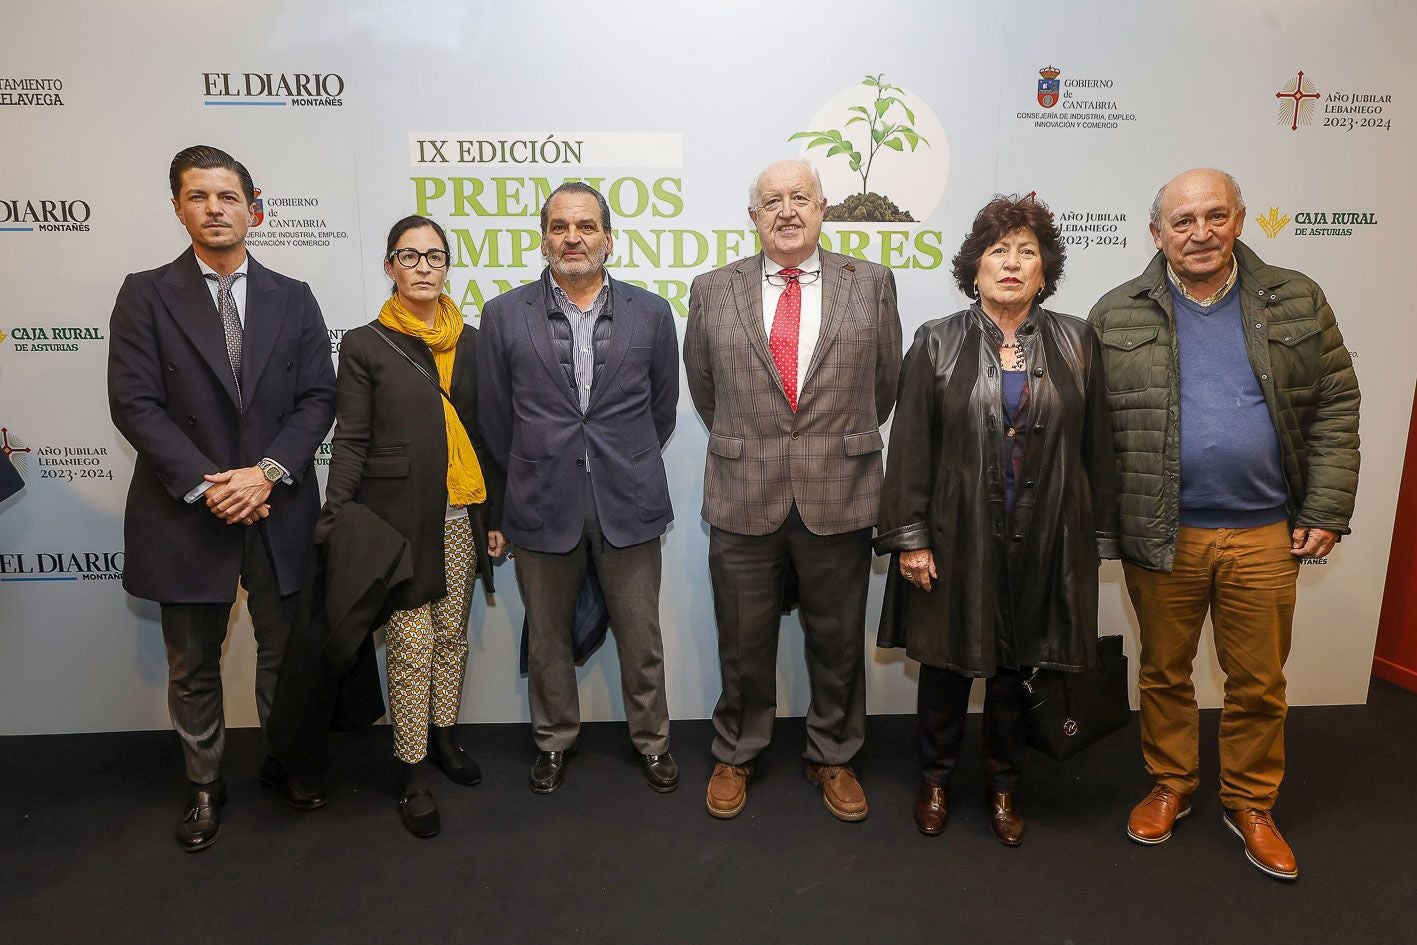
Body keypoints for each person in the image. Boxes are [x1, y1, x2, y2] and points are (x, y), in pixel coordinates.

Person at [1090, 168, 1360, 880]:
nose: (1199, 232)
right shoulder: (1116, 312)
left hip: (1264, 531)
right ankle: (1171, 783)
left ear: (1239, 220)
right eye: (1181, 222)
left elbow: (1335, 405)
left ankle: (1249, 800)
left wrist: (1326, 508)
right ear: (1156, 234)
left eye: (1213, 216)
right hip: (1162, 532)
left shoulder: (1296, 298)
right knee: (1163, 671)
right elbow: (1093, 434)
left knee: (1257, 680)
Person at [107, 145, 336, 851]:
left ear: (253, 207)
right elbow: (134, 404)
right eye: (199, 196)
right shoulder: (144, 293)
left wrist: (264, 472)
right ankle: (205, 783)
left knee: (284, 653)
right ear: (178, 207)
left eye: (228, 196)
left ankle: (285, 761)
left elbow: (317, 398)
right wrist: (216, 484)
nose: (215, 208)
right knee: (192, 663)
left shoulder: (292, 296)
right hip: (187, 511)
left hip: (278, 505)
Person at [875, 195, 1119, 845]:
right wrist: (910, 538)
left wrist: (1093, 543)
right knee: (946, 668)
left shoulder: (1076, 341)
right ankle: (934, 779)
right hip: (956, 539)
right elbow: (909, 451)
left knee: (1019, 670)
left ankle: (1005, 787)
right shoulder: (937, 340)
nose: (1011, 263)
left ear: (1045, 270)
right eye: (997, 250)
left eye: (1026, 252)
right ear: (973, 267)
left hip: (1046, 539)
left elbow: (1098, 446)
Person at [684, 159, 902, 822]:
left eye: (798, 197)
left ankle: (833, 754)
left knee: (836, 641)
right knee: (742, 638)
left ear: (821, 208)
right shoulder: (711, 288)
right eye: (771, 200)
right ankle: (736, 749)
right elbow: (705, 387)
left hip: (839, 490)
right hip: (742, 490)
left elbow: (884, 383)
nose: (786, 210)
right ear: (752, 216)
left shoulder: (868, 283)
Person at [476, 182, 680, 795]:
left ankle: (653, 742)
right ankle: (554, 741)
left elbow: (662, 409)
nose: (573, 237)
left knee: (642, 636)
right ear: (543, 240)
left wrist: (621, 454)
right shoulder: (503, 314)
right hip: (540, 500)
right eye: (560, 227)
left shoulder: (651, 311)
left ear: (608, 239)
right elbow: (494, 416)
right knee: (547, 636)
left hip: (630, 497)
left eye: (586, 226)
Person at [318, 215, 505, 837]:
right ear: (390, 266)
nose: (423, 266)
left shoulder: (473, 342)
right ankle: (412, 766)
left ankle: (445, 734)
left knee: (452, 633)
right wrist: (337, 511)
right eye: (409, 255)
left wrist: (494, 515)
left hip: (462, 511)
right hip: (397, 518)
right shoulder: (367, 343)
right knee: (409, 642)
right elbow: (352, 438)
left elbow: (487, 436)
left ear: (447, 265)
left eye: (434, 255)